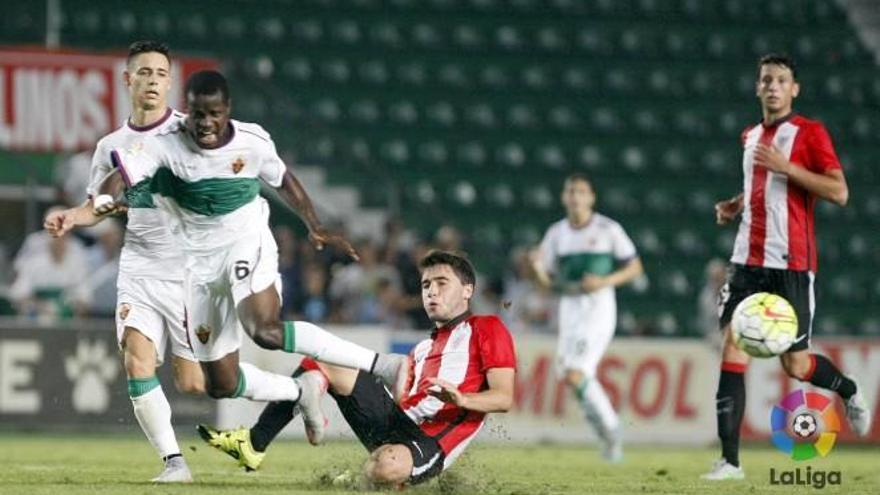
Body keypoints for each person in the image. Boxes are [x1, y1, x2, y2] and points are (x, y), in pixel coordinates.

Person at [100, 69, 408, 445]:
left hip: (246, 244)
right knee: (220, 383)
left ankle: (384, 365)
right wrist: (103, 198)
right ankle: (301, 392)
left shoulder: (252, 141)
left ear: (227, 109)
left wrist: (314, 225)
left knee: (265, 331)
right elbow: (120, 175)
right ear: (189, 111)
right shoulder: (165, 144)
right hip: (198, 269)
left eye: (214, 113)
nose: (206, 122)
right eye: (198, 114)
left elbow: (283, 180)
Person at [198, 250, 517, 487]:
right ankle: (254, 443)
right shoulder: (423, 347)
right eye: (425, 285)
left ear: (467, 290)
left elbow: (503, 398)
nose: (431, 291)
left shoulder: (487, 328)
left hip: (431, 441)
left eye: (441, 283)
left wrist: (462, 399)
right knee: (325, 360)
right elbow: (404, 395)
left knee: (384, 469)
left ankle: (371, 475)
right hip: (397, 420)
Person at [702, 54, 871, 481]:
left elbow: (840, 191)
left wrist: (787, 167)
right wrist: (736, 204)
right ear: (757, 88)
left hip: (791, 264)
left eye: (781, 80)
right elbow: (760, 187)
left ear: (794, 89)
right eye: (765, 80)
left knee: (795, 366)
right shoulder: (749, 135)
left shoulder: (810, 133)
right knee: (733, 348)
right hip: (745, 261)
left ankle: (846, 389)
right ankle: (730, 462)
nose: (773, 86)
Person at [44, 41, 204, 482]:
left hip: (190, 272)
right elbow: (99, 204)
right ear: (127, 80)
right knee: (137, 361)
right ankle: (175, 463)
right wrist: (71, 219)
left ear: (170, 83)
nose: (153, 81)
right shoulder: (111, 147)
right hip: (139, 268)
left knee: (198, 383)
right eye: (144, 73)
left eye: (160, 73)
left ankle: (292, 391)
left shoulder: (192, 134)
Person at [528, 173, 643, 462]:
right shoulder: (556, 233)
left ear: (591, 197)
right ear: (563, 197)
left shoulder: (608, 228)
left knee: (576, 372)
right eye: (570, 191)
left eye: (580, 191)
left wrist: (604, 281)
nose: (575, 197)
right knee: (570, 375)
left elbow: (635, 268)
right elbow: (545, 282)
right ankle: (606, 437)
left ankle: (612, 430)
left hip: (598, 307)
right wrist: (536, 268)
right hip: (569, 308)